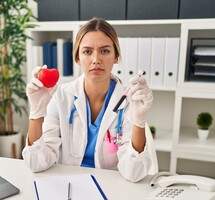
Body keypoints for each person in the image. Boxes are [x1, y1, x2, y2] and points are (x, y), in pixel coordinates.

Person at [22, 18, 153, 182]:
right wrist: (36, 112)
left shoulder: (128, 102)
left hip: (111, 188)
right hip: (68, 185)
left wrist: (139, 121)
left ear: (116, 57)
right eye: (87, 52)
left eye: (105, 51)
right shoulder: (61, 96)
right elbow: (36, 163)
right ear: (77, 58)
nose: (96, 59)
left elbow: (134, 173)